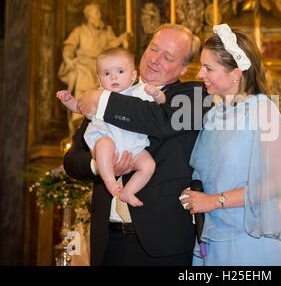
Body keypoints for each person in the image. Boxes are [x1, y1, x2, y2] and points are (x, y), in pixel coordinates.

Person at [63, 24, 210, 266]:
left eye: (168, 57)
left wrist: (103, 100)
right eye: (153, 49)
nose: (155, 60)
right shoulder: (111, 89)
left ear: (184, 67)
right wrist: (100, 165)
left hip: (163, 245)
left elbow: (162, 122)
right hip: (108, 240)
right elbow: (72, 161)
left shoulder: (195, 95)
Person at [179, 24, 281, 265]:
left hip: (248, 239)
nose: (200, 74)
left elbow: (278, 183)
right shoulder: (215, 113)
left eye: (208, 68)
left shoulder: (263, 111)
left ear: (235, 73)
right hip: (212, 234)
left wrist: (214, 200)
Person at [57, 48, 165, 207]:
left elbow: (162, 105)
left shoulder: (139, 92)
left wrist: (156, 94)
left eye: (120, 71)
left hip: (133, 148)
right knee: (105, 145)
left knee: (149, 165)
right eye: (107, 74)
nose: (114, 76)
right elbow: (79, 106)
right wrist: (68, 100)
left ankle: (129, 191)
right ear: (99, 79)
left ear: (133, 76)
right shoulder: (96, 96)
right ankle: (110, 182)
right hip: (105, 142)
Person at [58, 3, 129, 136]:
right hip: (84, 65)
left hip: (101, 67)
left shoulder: (106, 31)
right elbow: (69, 47)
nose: (99, 16)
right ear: (89, 16)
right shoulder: (79, 31)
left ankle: (102, 117)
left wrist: (124, 38)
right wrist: (68, 59)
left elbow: (114, 44)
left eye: (99, 13)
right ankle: (79, 117)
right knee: (83, 77)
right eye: (96, 13)